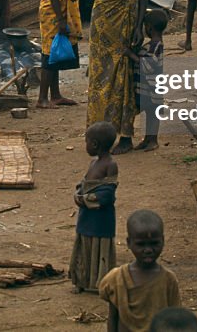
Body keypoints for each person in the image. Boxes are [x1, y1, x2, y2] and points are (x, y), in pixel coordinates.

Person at [88, 0, 150, 154]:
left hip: (126, 9)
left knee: (123, 72)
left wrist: (139, 25)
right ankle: (98, 131)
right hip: (102, 10)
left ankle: (125, 134)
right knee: (99, 71)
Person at [99, 209, 181, 332]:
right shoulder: (116, 279)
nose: (148, 250)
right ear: (129, 243)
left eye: (154, 243)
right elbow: (113, 317)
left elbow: (175, 319)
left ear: (163, 241)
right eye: (141, 244)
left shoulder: (168, 280)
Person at [70, 121, 118, 292]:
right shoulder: (93, 163)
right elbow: (86, 183)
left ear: (95, 144)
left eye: (87, 141)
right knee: (85, 247)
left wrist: (86, 199)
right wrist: (79, 191)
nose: (86, 145)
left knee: (100, 249)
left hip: (100, 218)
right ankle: (82, 281)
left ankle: (100, 283)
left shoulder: (110, 165)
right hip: (87, 216)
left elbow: (108, 193)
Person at [127, 9, 167, 152]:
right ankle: (148, 139)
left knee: (152, 114)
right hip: (146, 87)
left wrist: (131, 55)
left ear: (149, 27)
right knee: (150, 113)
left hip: (152, 88)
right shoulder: (151, 45)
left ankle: (153, 140)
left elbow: (149, 65)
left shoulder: (156, 45)